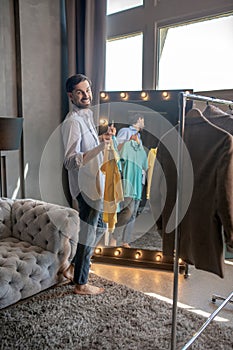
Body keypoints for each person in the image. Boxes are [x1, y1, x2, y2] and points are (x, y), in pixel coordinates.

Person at [61, 73, 115, 295]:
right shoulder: (73, 122)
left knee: (98, 227)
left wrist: (103, 139)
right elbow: (70, 161)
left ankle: (74, 267)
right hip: (86, 188)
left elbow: (90, 151)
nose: (86, 95)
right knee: (89, 231)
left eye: (88, 90)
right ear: (71, 95)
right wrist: (100, 147)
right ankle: (81, 284)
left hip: (96, 185)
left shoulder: (86, 117)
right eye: (80, 92)